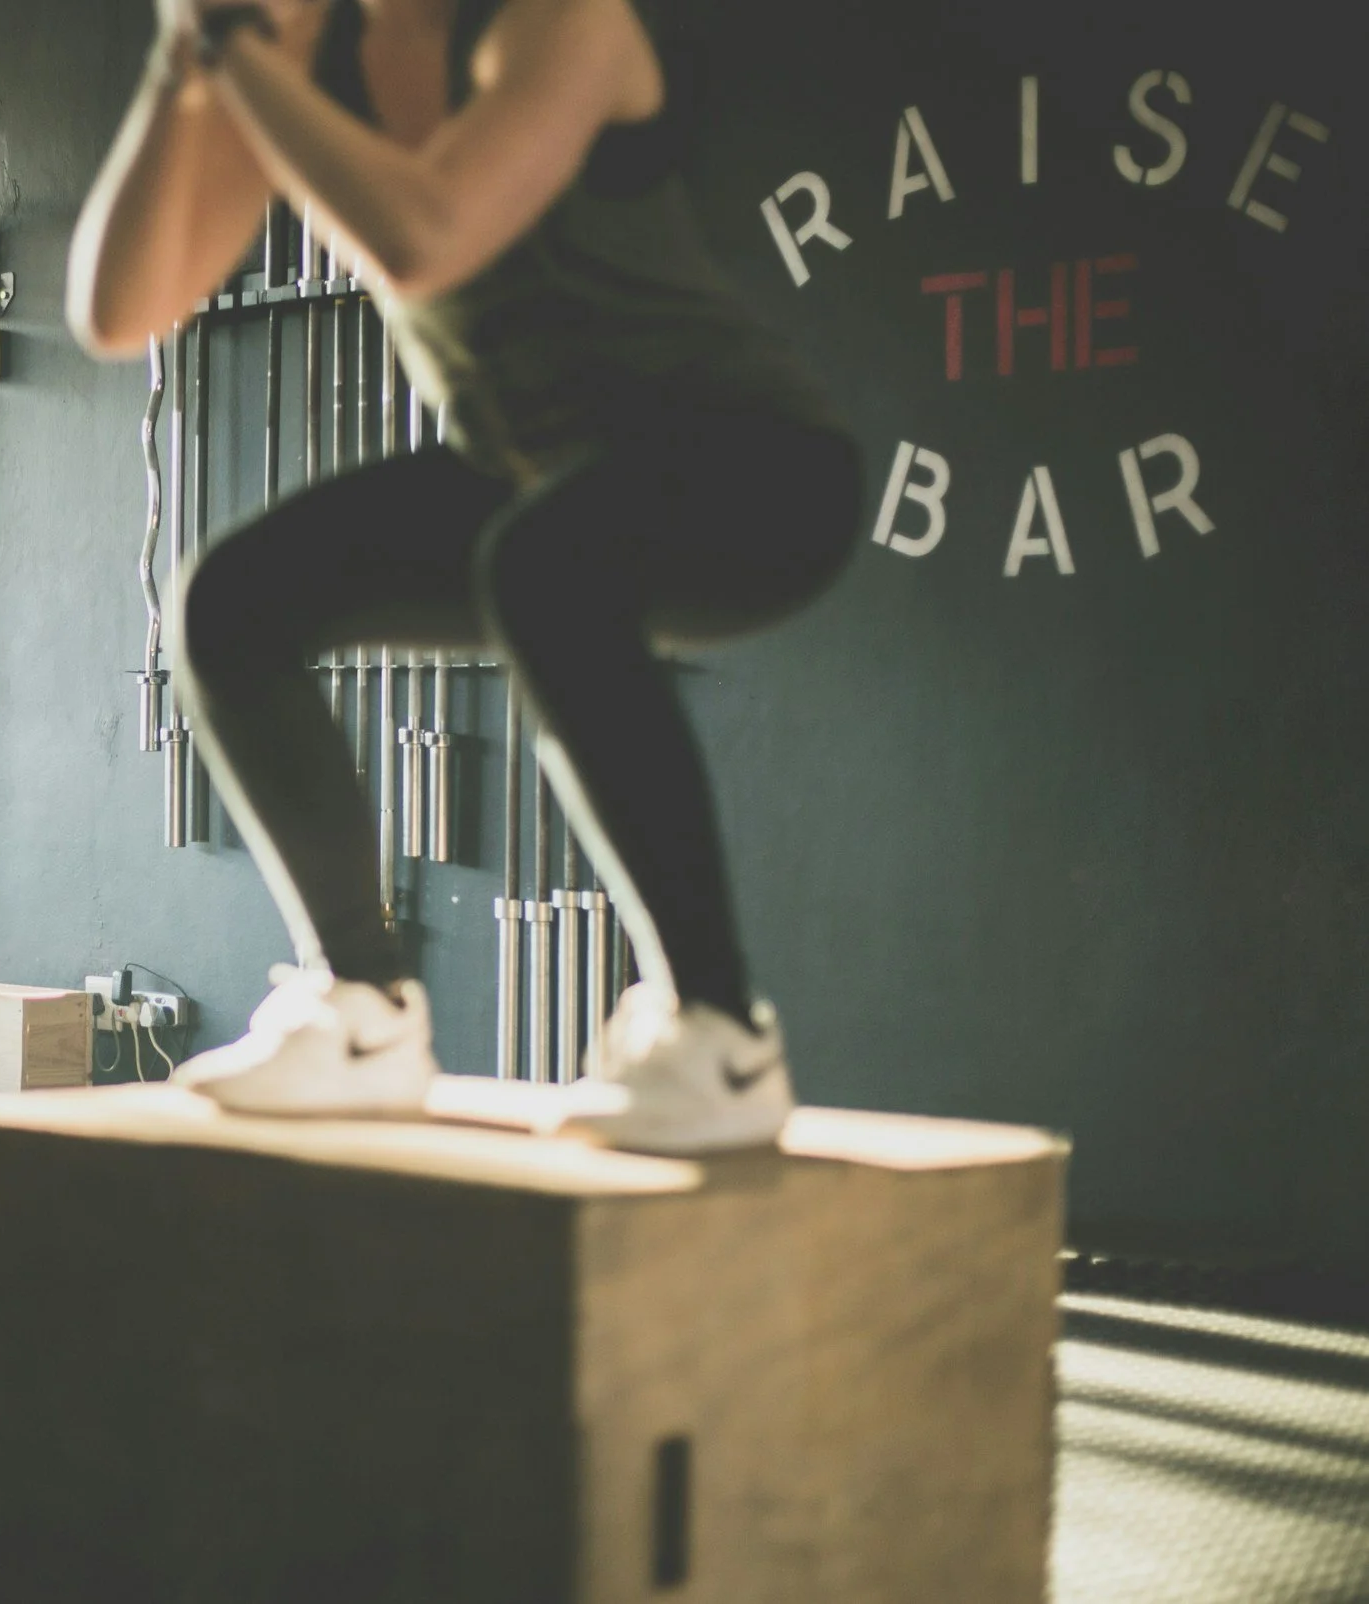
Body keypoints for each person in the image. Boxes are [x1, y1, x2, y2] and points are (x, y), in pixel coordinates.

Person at [68, 0, 861, 1152]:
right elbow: (116, 309)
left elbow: (423, 233)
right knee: (232, 602)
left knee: (544, 562)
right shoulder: (304, 66)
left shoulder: (557, 23)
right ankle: (363, 1008)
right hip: (530, 477)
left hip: (755, 464)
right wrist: (178, 60)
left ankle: (721, 1032)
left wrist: (235, 49)